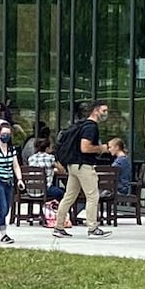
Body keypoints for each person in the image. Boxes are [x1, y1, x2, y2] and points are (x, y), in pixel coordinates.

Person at [53, 100, 113, 239]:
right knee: (93, 196)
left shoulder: (81, 125)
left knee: (69, 196)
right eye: (104, 111)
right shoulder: (91, 127)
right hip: (84, 165)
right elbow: (85, 148)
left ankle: (59, 227)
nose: (106, 114)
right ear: (95, 110)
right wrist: (101, 148)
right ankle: (92, 228)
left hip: (73, 165)